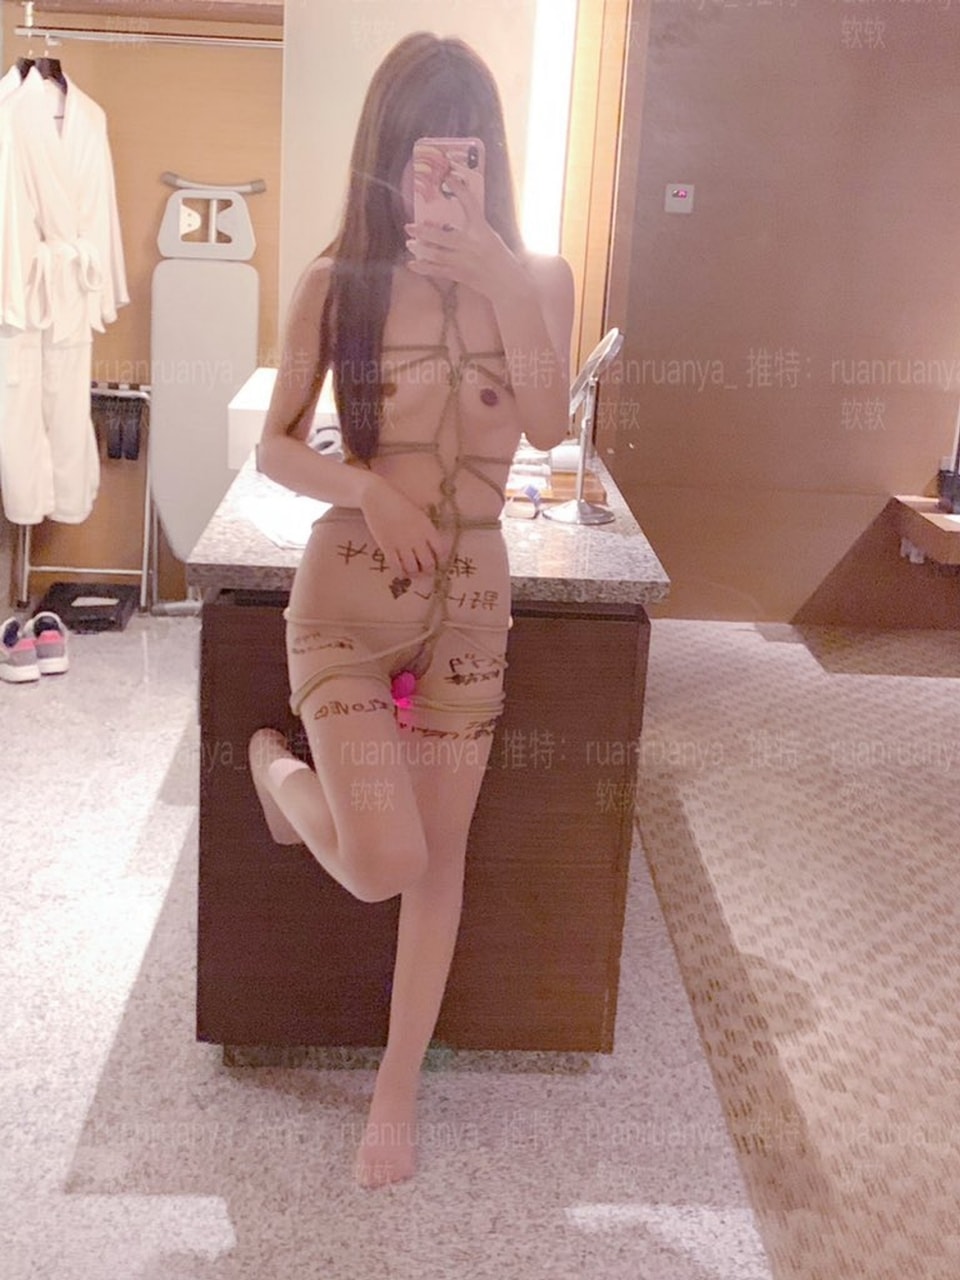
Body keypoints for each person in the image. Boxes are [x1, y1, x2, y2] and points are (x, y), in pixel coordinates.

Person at [249, 31, 574, 1189]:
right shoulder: (336, 282)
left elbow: (549, 426)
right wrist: (366, 486)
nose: (440, 179)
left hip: (472, 606)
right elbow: (275, 445)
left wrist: (500, 281)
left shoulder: (538, 279)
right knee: (384, 859)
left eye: (463, 155)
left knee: (440, 860)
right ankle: (278, 773)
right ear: (386, 157)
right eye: (421, 156)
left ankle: (397, 1085)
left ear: (490, 160)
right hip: (348, 597)